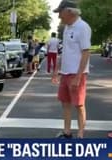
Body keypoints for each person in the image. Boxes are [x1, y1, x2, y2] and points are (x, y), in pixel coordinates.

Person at [52, 0, 91, 139]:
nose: (59, 17)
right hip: (65, 72)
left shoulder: (83, 27)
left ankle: (81, 135)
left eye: (60, 13)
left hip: (76, 73)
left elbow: (86, 52)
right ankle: (67, 132)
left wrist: (79, 76)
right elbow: (65, 51)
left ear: (69, 11)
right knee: (65, 103)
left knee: (79, 104)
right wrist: (57, 69)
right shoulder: (67, 28)